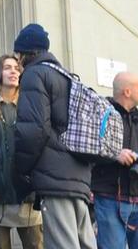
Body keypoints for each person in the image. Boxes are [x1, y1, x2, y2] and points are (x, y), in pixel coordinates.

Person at [12, 22, 97, 249]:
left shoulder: (34, 75)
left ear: (24, 54)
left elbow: (33, 130)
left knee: (62, 245)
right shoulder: (68, 77)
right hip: (78, 177)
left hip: (54, 179)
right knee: (85, 244)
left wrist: (21, 169)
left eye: (17, 55)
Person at [92, 72, 138, 249]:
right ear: (127, 91)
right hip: (109, 197)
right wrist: (114, 154)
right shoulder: (101, 116)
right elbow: (88, 147)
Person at [0, 54, 43, 249]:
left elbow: (39, 145)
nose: (13, 71)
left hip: (27, 197)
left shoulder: (30, 105)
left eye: (16, 68)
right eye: (7, 67)